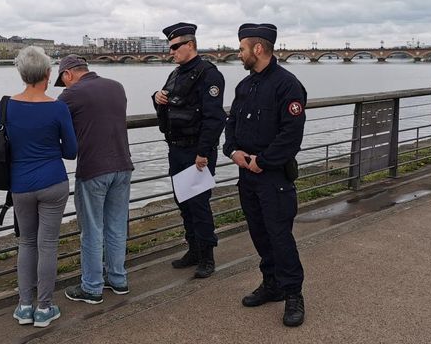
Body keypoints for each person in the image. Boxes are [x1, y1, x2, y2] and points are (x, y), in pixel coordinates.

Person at [223, 24, 307, 327]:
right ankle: (271, 285)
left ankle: (293, 294)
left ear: (258, 49)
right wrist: (232, 151)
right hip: (247, 176)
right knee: (259, 234)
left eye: (242, 48)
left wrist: (264, 161)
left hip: (274, 179)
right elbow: (230, 124)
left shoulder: (287, 85)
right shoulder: (245, 87)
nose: (239, 53)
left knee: (280, 237)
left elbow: (291, 134)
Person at [2, 46, 77, 328]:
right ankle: (44, 308)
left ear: (22, 74)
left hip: (20, 184)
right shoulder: (57, 107)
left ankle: (24, 306)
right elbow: (71, 151)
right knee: (48, 245)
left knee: (26, 243)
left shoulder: (7, 106)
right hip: (53, 182)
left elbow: (1, 143)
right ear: (48, 74)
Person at [57, 55, 134, 305]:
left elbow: (50, 120)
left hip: (93, 169)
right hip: (123, 165)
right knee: (116, 225)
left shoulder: (72, 94)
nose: (64, 86)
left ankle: (91, 287)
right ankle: (118, 278)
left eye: (63, 81)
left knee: (91, 229)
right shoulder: (116, 86)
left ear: (68, 74)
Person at [152, 22, 226, 278]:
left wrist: (203, 152)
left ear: (190, 45)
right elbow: (171, 101)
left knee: (198, 204)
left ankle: (207, 256)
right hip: (177, 148)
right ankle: (193, 249)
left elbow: (214, 118)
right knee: (183, 202)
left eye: (175, 47)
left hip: (197, 151)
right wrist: (157, 97)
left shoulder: (209, 74)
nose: (171, 52)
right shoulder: (176, 74)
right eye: (170, 48)